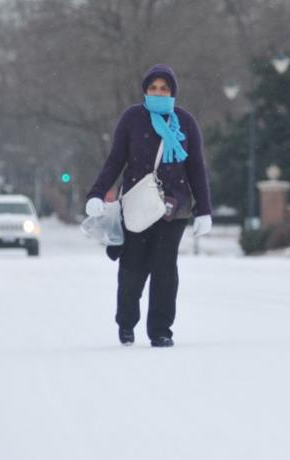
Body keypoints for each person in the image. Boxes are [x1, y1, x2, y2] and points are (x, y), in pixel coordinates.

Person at [85, 64, 212, 348]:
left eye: (164, 88)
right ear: (145, 90)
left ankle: (161, 330)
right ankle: (127, 323)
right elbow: (116, 160)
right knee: (133, 266)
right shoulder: (133, 118)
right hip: (138, 207)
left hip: (174, 208)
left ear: (173, 91)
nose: (158, 92)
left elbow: (196, 169)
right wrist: (96, 193)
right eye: (153, 88)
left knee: (166, 268)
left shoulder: (185, 122)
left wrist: (204, 210)